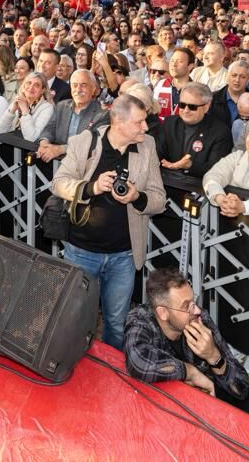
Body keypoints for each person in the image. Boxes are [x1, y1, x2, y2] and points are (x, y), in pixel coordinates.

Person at [51, 95, 166, 349]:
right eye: (138, 123)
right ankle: (70, 369)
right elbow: (58, 183)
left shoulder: (147, 146)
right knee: (75, 319)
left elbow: (159, 199)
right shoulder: (85, 142)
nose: (145, 128)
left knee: (116, 323)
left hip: (123, 255)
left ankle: (111, 377)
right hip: (81, 252)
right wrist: (92, 187)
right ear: (117, 120)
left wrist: (137, 197)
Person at [123, 268, 249, 425]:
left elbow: (242, 388)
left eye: (193, 301)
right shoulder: (140, 320)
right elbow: (139, 363)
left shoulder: (199, 319)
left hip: (206, 393)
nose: (196, 309)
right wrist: (190, 372)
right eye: (186, 306)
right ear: (163, 313)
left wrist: (214, 356)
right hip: (165, 401)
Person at [158, 81, 233, 181]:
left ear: (206, 107)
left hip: (198, 186)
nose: (185, 110)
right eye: (182, 105)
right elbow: (159, 151)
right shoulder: (170, 123)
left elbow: (216, 169)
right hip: (168, 182)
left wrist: (190, 165)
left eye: (192, 107)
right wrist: (162, 162)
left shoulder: (220, 132)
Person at [35, 69, 108, 161]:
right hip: (54, 161)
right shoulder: (61, 106)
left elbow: (92, 143)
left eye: (83, 85)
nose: (78, 89)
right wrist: (44, 143)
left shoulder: (102, 114)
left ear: (94, 89)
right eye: (74, 85)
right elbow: (50, 128)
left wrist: (61, 149)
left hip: (82, 165)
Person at [0, 70, 54, 142]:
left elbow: (31, 138)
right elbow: (0, 131)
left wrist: (25, 111)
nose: (31, 87)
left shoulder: (47, 108)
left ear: (42, 90)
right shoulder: (19, 100)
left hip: (29, 150)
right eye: (29, 83)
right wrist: (12, 110)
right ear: (23, 86)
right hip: (10, 145)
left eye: (37, 85)